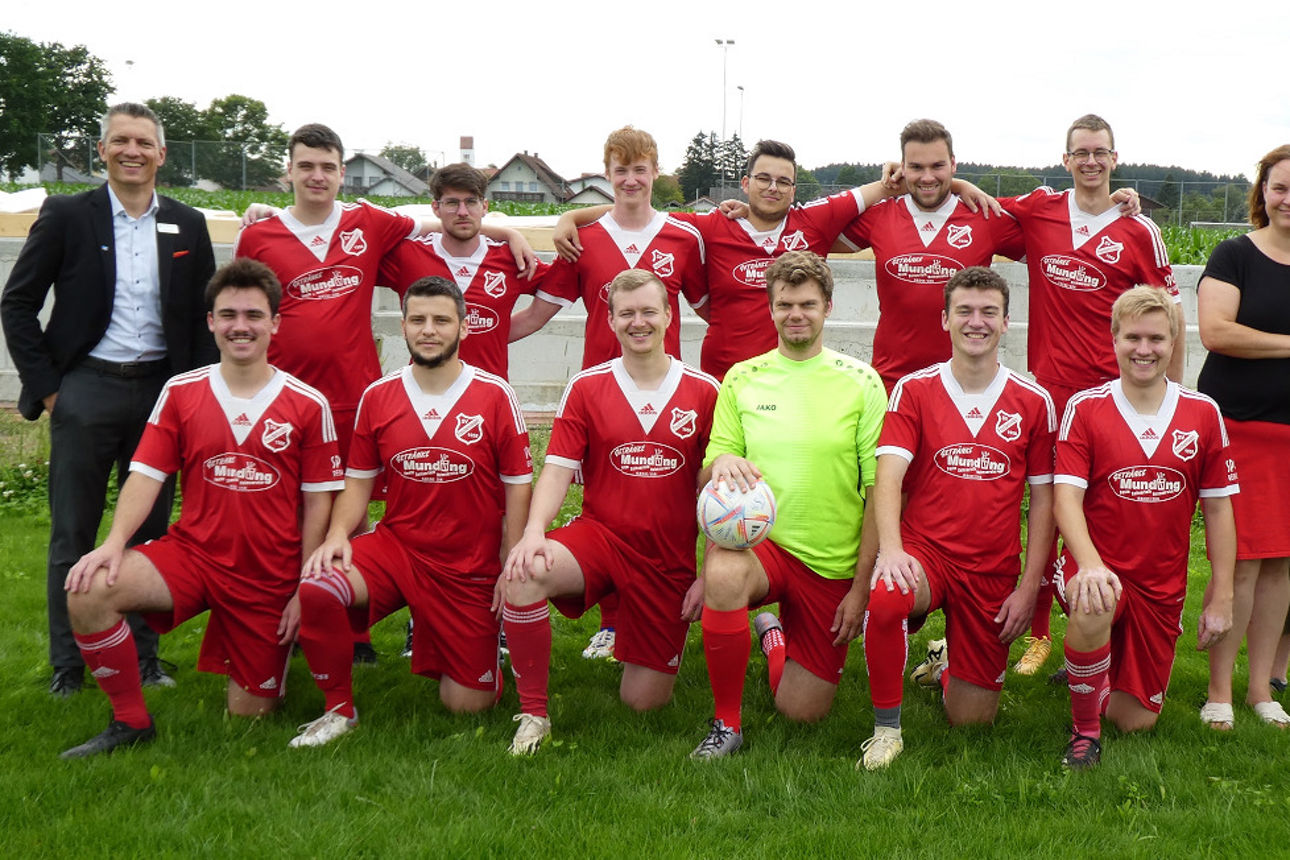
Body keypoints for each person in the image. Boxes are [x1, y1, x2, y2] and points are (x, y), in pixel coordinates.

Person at [58, 258, 344, 758]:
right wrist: (113, 544)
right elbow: (145, 476)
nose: (241, 326)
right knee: (88, 592)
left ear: (275, 323)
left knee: (250, 714)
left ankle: (265, 666)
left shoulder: (308, 403)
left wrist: (302, 586)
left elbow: (318, 504)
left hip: (268, 575)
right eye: (228, 314)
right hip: (193, 555)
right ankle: (130, 721)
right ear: (210, 321)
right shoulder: (181, 391)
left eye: (254, 315)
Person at [1, 102, 216, 697]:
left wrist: (195, 398)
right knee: (72, 532)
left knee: (148, 533)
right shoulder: (68, 215)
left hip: (160, 395)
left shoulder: (187, 223)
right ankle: (70, 664)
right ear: (103, 150)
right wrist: (48, 390)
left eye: (144, 143)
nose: (132, 152)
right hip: (85, 387)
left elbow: (200, 325)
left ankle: (144, 659)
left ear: (161, 154)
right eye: (120, 141)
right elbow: (17, 304)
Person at [289, 276, 532, 747]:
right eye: (418, 320)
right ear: (402, 326)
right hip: (397, 549)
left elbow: (518, 488)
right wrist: (339, 534)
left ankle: (466, 650)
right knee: (319, 587)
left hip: (468, 565)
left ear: (463, 328)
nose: (429, 330)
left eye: (441, 320)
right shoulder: (378, 395)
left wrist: (509, 560)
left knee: (467, 705)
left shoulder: (495, 394)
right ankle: (338, 710)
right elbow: (358, 482)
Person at [501, 268, 719, 755]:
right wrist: (534, 531)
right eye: (626, 313)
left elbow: (718, 496)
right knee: (524, 573)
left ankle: (645, 642)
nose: (637, 322)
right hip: (600, 538)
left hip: (666, 561)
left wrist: (708, 572)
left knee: (643, 703)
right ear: (611, 320)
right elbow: (556, 470)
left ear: (669, 315)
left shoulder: (706, 390)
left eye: (647, 311)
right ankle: (534, 714)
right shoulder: (587, 386)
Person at [856, 267, 1055, 770]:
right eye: (964, 311)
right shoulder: (914, 390)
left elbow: (1045, 503)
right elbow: (889, 476)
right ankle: (886, 730)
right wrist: (893, 551)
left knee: (972, 722)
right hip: (927, 555)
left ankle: (947, 664)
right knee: (887, 595)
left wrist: (1029, 587)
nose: (976, 322)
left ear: (1006, 321)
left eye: (989, 312)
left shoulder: (1034, 401)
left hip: (991, 569)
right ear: (945, 319)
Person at [690, 250, 886, 759]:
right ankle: (726, 723)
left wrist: (861, 588)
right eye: (784, 304)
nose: (795, 314)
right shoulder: (742, 378)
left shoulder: (861, 382)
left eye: (807, 304)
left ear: (827, 307)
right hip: (763, 547)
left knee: (802, 711)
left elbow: (877, 496)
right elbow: (708, 473)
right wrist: (726, 460)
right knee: (726, 575)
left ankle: (772, 636)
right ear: (770, 307)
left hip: (830, 560)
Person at [1003, 114, 1180, 675]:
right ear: (1065, 160)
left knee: (1105, 512)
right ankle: (1038, 632)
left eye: (1100, 152)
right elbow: (973, 206)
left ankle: (1106, 622)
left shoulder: (1138, 229)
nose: (1090, 161)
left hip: (1114, 398)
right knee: (1046, 507)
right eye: (1080, 152)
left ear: (1114, 157)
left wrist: (1169, 388)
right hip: (1052, 393)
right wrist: (947, 182)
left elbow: (1167, 310)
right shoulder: (1040, 210)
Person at [1053, 286, 1235, 768]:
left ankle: (1094, 670)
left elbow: (1218, 510)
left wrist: (1221, 595)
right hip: (1100, 564)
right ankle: (1084, 731)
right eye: (1133, 337)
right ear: (1113, 339)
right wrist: (1089, 565)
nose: (1144, 349)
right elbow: (1065, 498)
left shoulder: (1202, 413)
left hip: (1161, 581)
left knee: (1136, 721)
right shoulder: (1086, 407)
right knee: (1095, 601)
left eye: (1156, 338)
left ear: (1173, 342)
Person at [1197, 145, 1290, 729]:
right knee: (1243, 565)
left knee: (1282, 563)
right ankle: (1219, 692)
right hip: (1242, 432)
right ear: (1264, 193)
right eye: (1281, 188)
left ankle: (1261, 691)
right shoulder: (1235, 254)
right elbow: (1216, 331)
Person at [840, 120, 1026, 392]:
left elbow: (1050, 247)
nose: (927, 177)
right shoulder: (881, 215)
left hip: (965, 385)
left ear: (953, 164)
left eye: (937, 166)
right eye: (916, 167)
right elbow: (817, 235)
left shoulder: (983, 214)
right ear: (902, 168)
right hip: (893, 383)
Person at [536, 127, 709, 370]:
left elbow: (711, 311)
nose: (630, 180)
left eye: (640, 170)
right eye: (621, 171)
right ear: (607, 173)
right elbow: (536, 315)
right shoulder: (580, 239)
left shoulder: (685, 238)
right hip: (599, 385)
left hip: (664, 385)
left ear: (656, 171)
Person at [378, 163, 554, 380]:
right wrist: (506, 232)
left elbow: (560, 287)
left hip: (489, 394)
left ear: (485, 206)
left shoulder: (513, 258)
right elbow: (359, 251)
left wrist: (496, 332)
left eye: (471, 202)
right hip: (423, 390)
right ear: (435, 208)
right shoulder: (407, 255)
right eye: (452, 203)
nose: (462, 212)